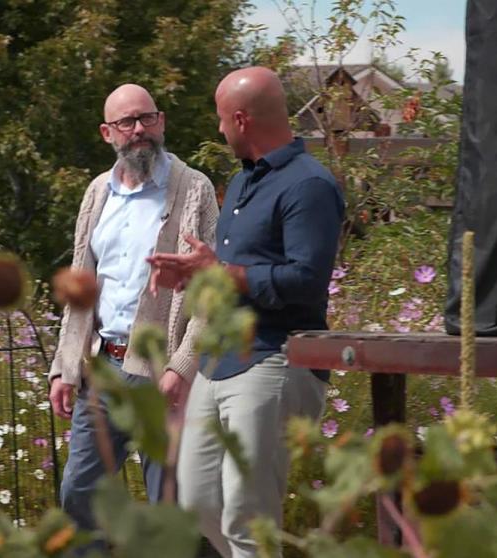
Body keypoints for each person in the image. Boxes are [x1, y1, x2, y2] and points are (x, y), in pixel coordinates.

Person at [146, 67, 344, 557]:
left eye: (220, 120)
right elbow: (231, 273)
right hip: (219, 363)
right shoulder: (239, 184)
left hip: (275, 358)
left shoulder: (310, 185)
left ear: (240, 119)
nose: (218, 130)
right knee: (196, 503)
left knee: (245, 513)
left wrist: (225, 272)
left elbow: (306, 282)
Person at [47, 83, 219, 536]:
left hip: (163, 374)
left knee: (169, 502)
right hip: (103, 368)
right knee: (79, 497)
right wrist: (65, 367)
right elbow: (82, 288)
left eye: (147, 118)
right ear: (108, 133)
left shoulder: (193, 189)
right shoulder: (96, 194)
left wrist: (182, 366)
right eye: (127, 122)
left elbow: (210, 289)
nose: (139, 129)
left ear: (161, 122)